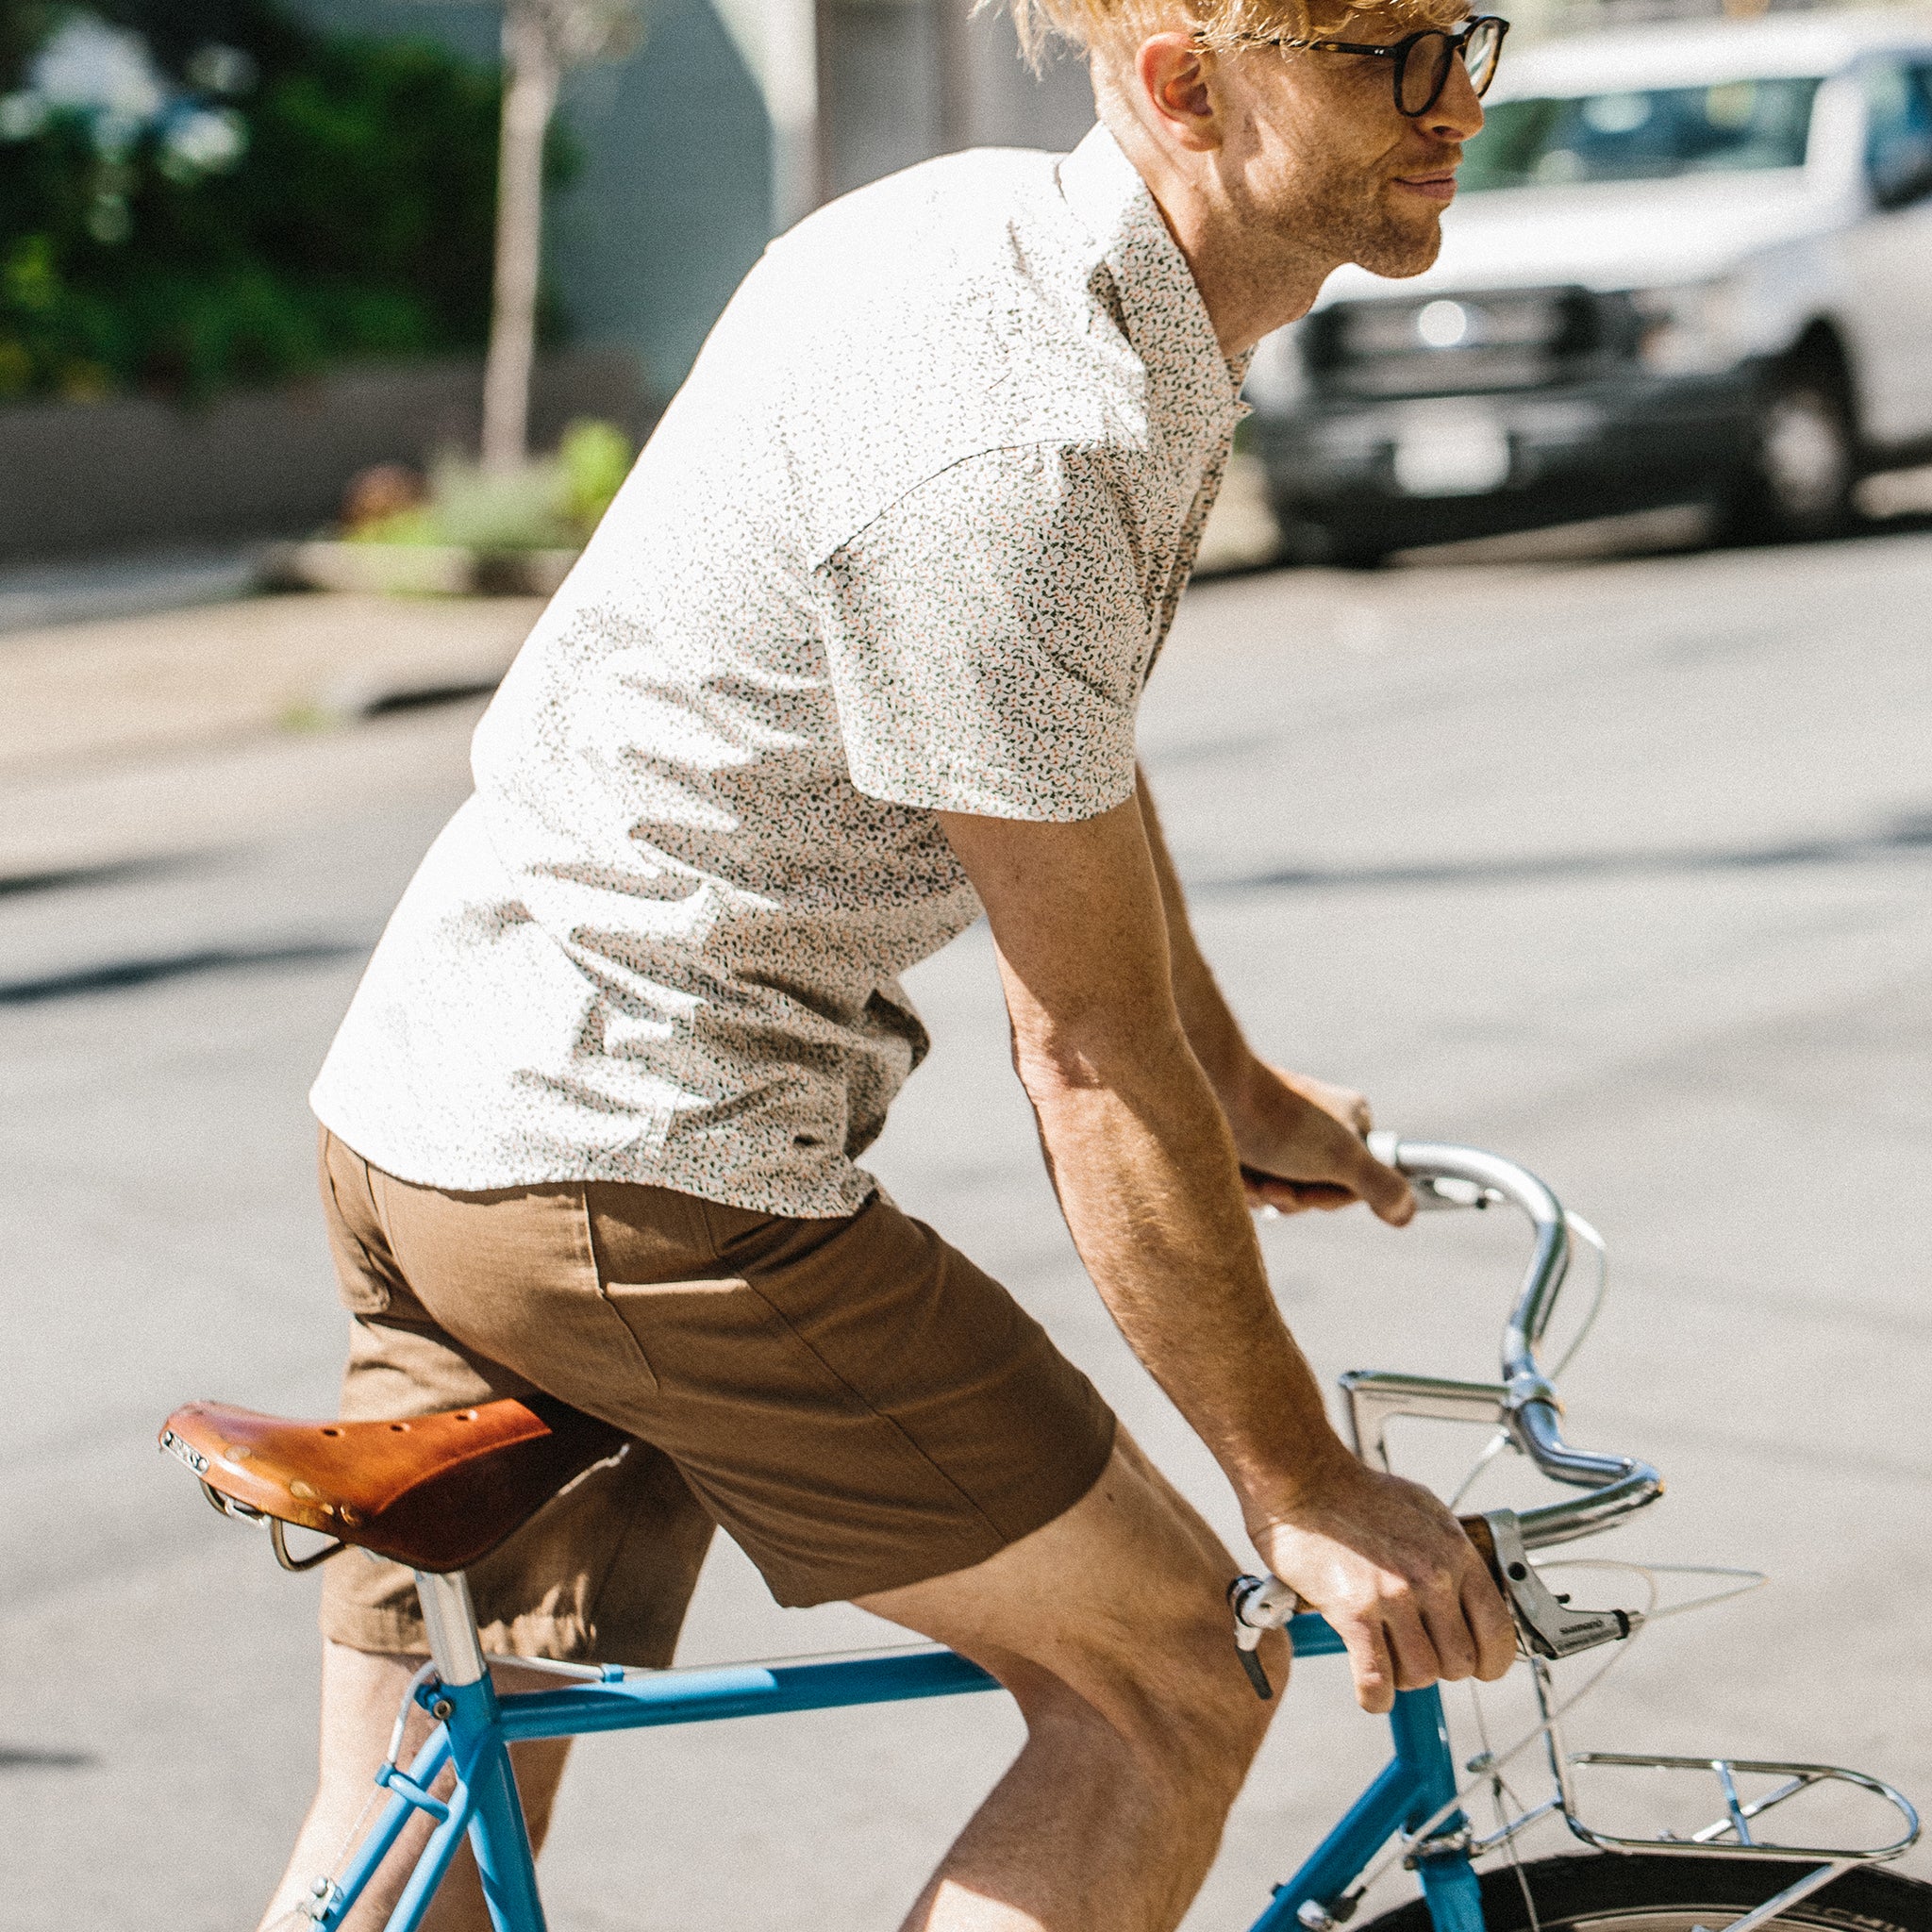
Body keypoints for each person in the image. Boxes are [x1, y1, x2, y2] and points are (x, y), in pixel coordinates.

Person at [267, 2, 1517, 1926]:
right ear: (1186, 84)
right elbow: (1084, 1051)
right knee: (1174, 1678)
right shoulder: (1024, 444)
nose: (1448, 105)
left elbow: (1053, 766)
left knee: (399, 1850)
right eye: (1374, 58)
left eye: (1455, 36)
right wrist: (1300, 1481)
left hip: (431, 1112)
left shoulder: (974, 240)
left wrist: (1242, 1080)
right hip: (635, 1164)